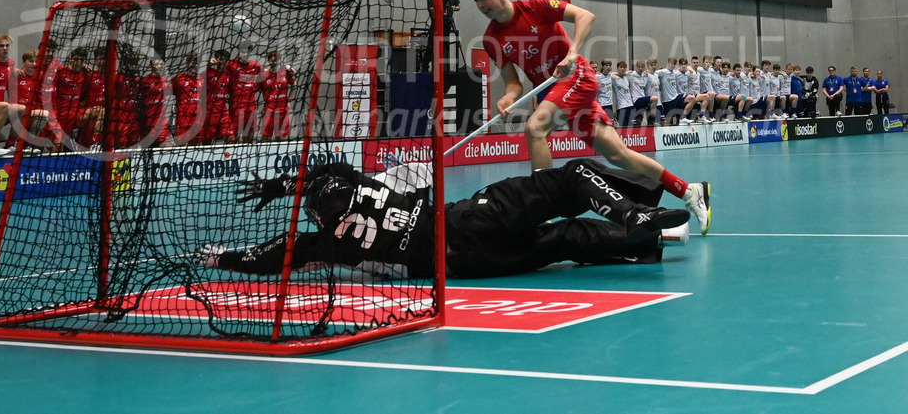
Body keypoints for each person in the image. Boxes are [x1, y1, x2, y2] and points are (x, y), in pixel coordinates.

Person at [467, 0, 710, 235]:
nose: (480, 5)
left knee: (535, 128)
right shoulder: (492, 39)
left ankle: (542, 209)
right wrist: (508, 97)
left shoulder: (535, 7)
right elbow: (513, 82)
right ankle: (689, 190)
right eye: (475, 0)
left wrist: (572, 53)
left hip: (576, 76)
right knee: (618, 155)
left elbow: (585, 16)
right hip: (553, 91)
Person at [201, 158, 692, 279]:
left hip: (460, 269)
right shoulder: (354, 180)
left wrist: (220, 257)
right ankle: (631, 215)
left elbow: (270, 257)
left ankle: (646, 243)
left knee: (566, 238)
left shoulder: (322, 243)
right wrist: (282, 184)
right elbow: (324, 173)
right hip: (462, 223)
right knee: (570, 179)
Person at [226, 41, 262, 143]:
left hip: (250, 106)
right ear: (239, 52)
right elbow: (225, 80)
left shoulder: (256, 66)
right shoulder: (231, 65)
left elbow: (262, 80)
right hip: (236, 106)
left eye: (247, 52)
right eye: (242, 52)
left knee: (249, 135)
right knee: (232, 137)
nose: (245, 54)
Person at [172, 52, 206, 145]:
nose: (195, 65)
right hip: (183, 121)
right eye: (193, 62)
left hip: (197, 120)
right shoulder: (179, 79)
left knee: (197, 148)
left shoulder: (202, 80)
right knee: (181, 147)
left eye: (198, 62)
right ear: (187, 63)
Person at [260, 50, 294, 140]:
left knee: (281, 138)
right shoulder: (264, 74)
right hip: (269, 110)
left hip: (282, 109)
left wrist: (289, 99)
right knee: (265, 138)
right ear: (268, 61)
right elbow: (255, 88)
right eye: (271, 60)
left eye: (276, 60)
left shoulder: (286, 72)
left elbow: (294, 84)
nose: (274, 62)